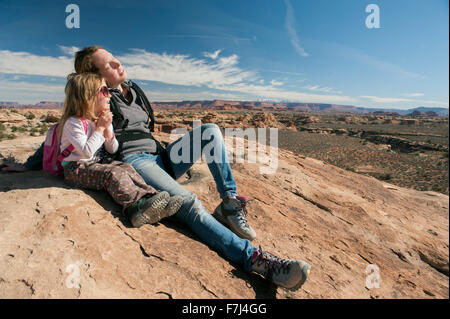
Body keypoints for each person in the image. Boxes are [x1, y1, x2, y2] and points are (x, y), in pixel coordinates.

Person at [2, 46, 311, 291]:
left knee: (210, 131)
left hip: (161, 157)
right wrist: (28, 164)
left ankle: (230, 203)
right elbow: (64, 126)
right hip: (137, 163)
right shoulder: (99, 99)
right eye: (108, 64)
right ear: (93, 76)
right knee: (190, 203)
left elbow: (147, 128)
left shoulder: (133, 89)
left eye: (115, 59)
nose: (118, 63)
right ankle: (257, 261)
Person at [58, 72, 182, 227]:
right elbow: (86, 152)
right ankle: (133, 208)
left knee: (126, 167)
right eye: (104, 91)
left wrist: (108, 133)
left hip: (96, 163)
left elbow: (112, 149)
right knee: (113, 173)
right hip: (75, 169)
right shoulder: (74, 122)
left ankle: (153, 199)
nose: (109, 95)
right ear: (87, 97)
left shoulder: (100, 119)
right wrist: (100, 128)